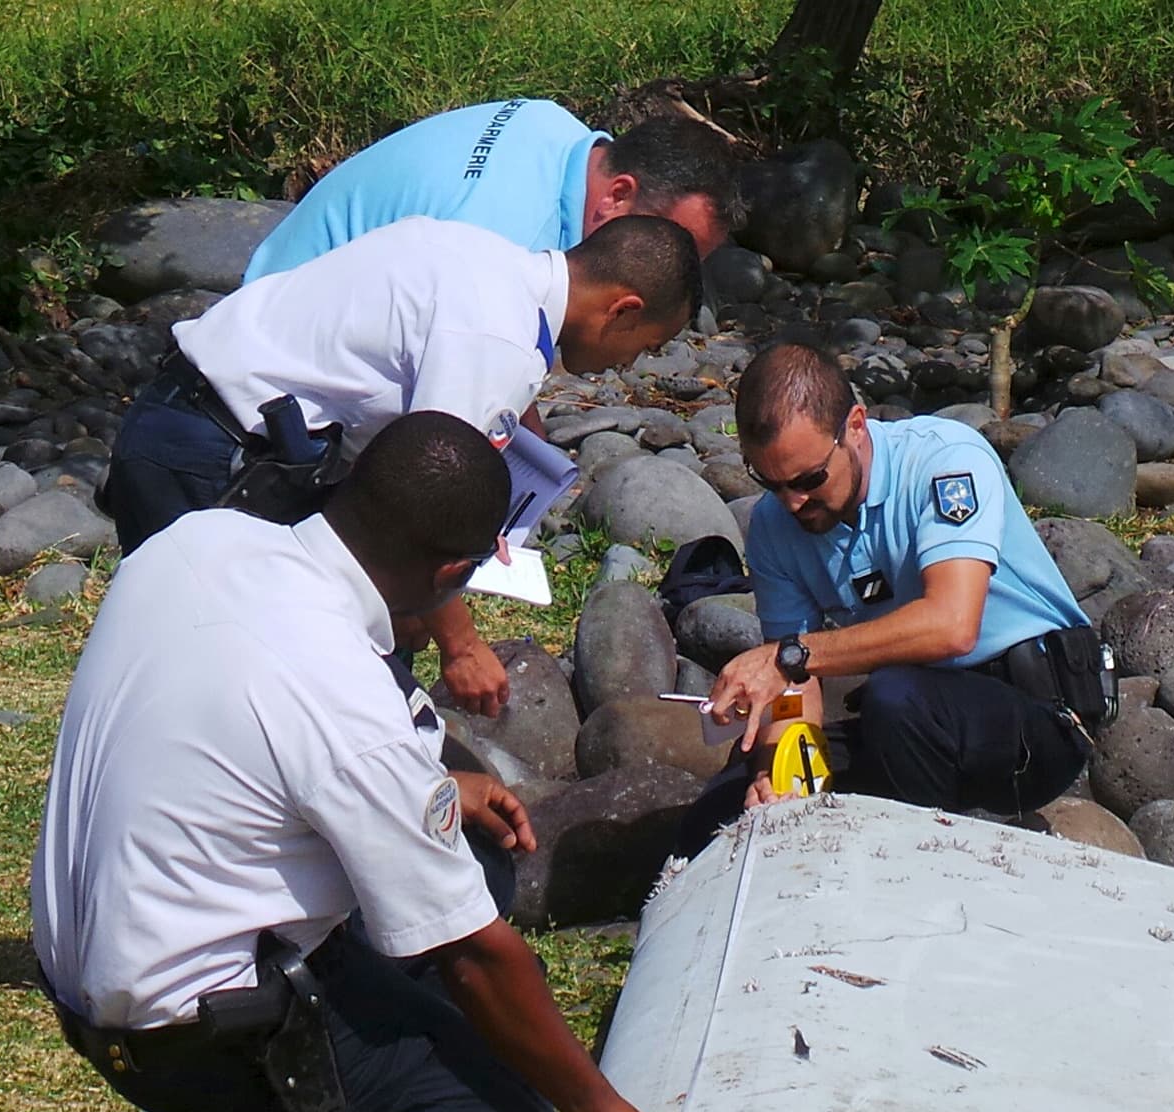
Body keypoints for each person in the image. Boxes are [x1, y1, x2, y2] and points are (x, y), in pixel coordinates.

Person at [38, 411, 685, 1112]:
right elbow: (476, 957)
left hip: (88, 967)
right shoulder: (340, 694)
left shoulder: (201, 539)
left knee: (471, 872)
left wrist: (440, 791)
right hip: (185, 1024)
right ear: (451, 574)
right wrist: (596, 1110)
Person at [237, 100, 738, 719]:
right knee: (292, 658)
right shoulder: (499, 243)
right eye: (671, 245)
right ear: (619, 197)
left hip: (289, 350)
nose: (674, 267)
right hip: (269, 408)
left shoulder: (559, 139)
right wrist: (451, 632)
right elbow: (416, 480)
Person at [98, 212, 702, 711]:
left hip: (184, 418)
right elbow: (427, 502)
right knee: (218, 681)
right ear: (621, 308)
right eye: (643, 346)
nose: (627, 366)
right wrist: (460, 644)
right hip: (217, 456)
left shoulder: (483, 253)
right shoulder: (499, 338)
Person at [682, 342, 1101, 847]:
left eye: (809, 479)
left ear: (855, 426)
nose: (793, 501)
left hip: (1034, 719)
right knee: (727, 804)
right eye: (768, 482)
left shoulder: (946, 461)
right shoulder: (775, 526)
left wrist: (792, 655)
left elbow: (951, 625)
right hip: (913, 719)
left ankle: (925, 869)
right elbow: (794, 687)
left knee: (895, 697)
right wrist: (780, 774)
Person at [244, 99, 737, 284]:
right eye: (675, 250)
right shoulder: (509, 244)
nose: (675, 277)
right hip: (271, 373)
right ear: (618, 195)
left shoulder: (551, 123)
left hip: (281, 277)